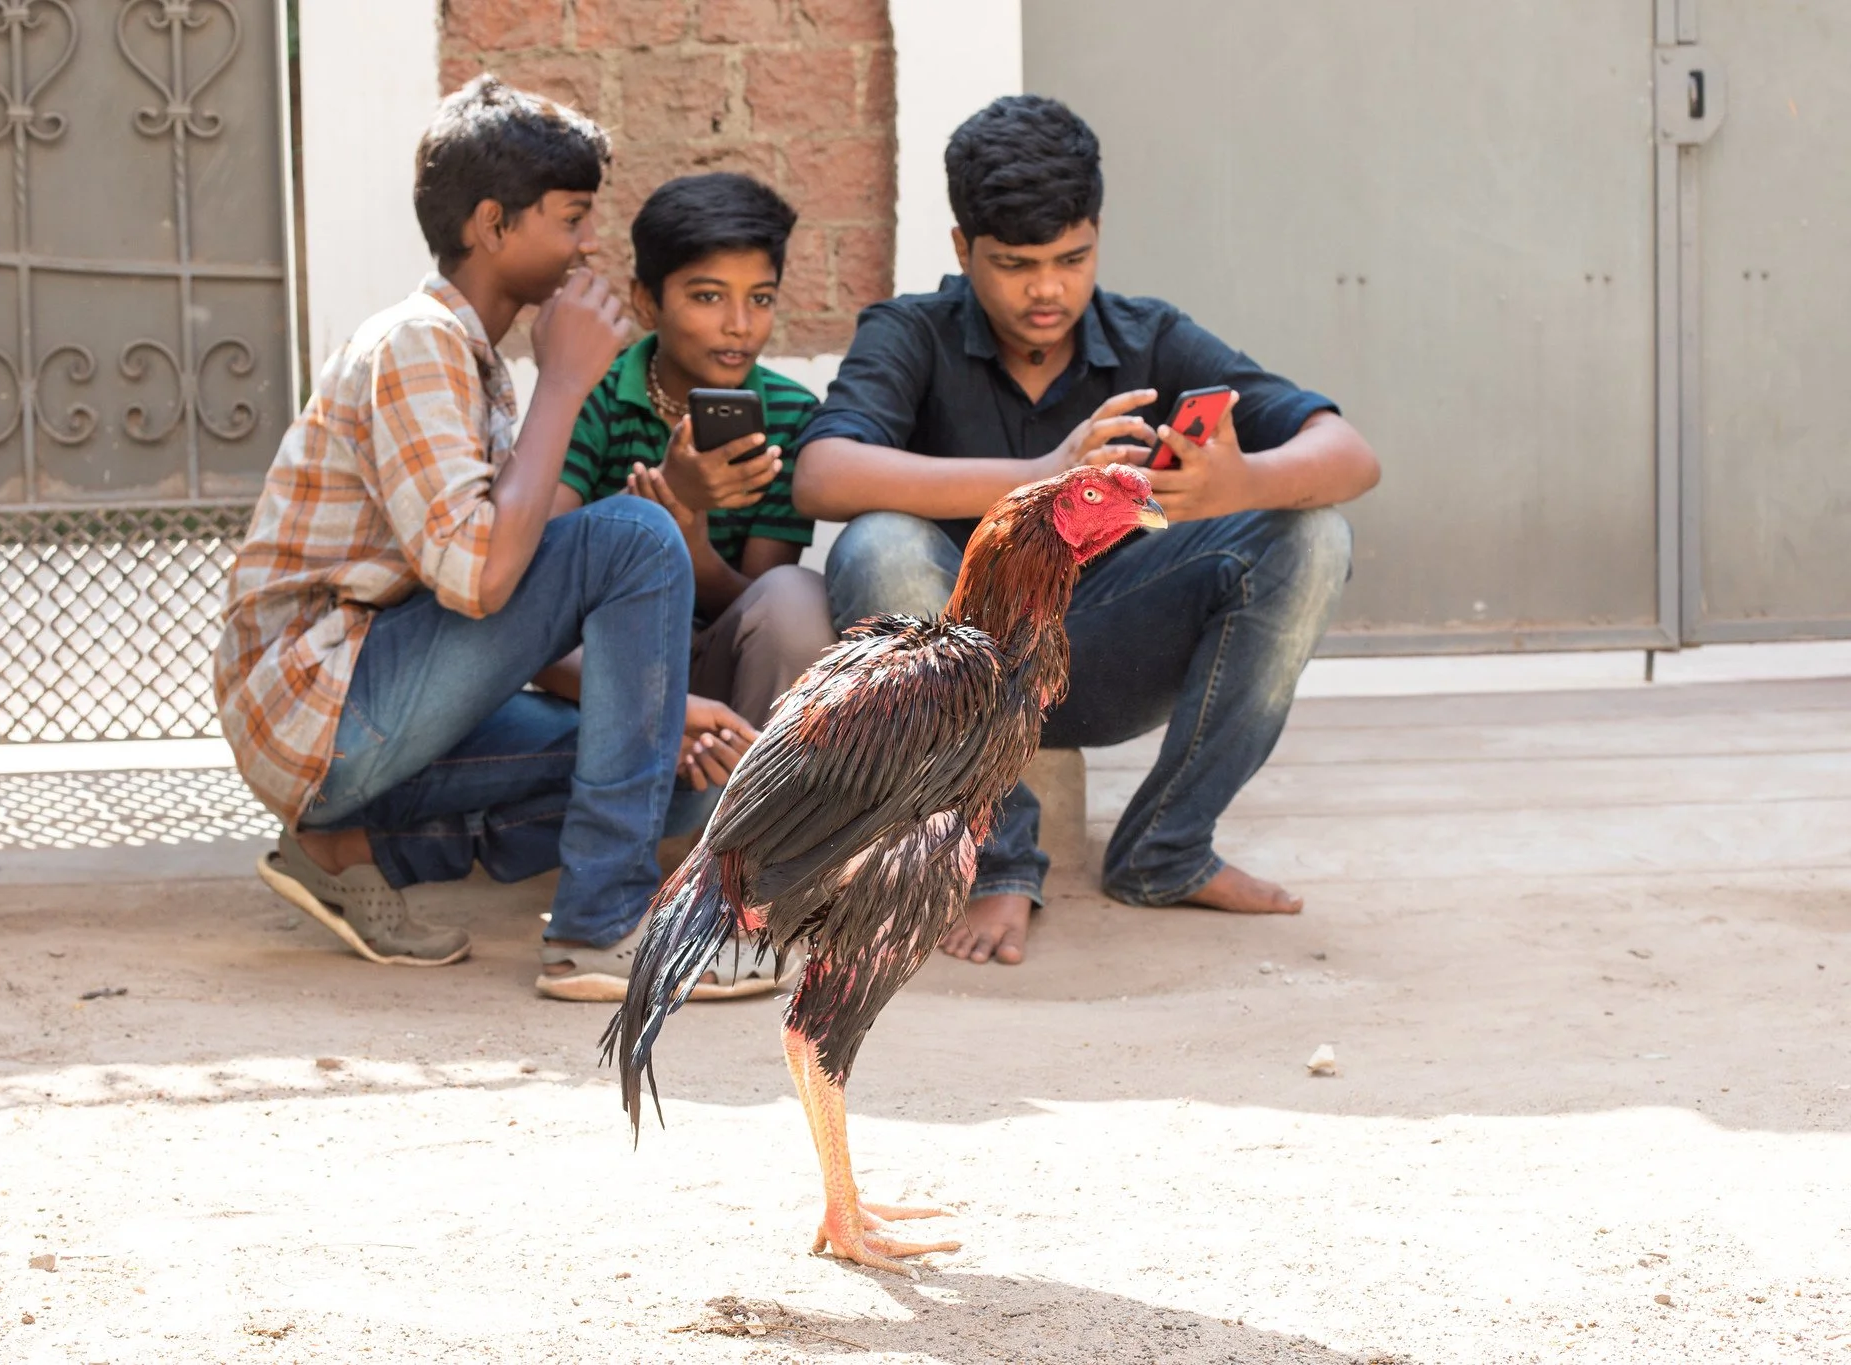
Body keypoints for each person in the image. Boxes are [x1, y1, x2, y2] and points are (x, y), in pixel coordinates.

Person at [214, 75, 781, 1002]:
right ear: (492, 224)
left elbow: (504, 604)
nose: (589, 244)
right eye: (572, 218)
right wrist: (564, 380)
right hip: (317, 707)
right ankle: (600, 929)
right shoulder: (416, 343)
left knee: (670, 775)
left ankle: (345, 850)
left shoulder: (472, 365)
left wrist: (658, 710)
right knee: (638, 534)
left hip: (365, 716)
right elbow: (479, 581)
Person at [792, 95, 1381, 967]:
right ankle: (992, 858)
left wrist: (1240, 483)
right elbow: (823, 474)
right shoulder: (911, 332)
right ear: (962, 248)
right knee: (879, 542)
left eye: (1072, 259)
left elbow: (1352, 455)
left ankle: (1166, 848)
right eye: (1015, 264)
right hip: (959, 676)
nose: (1047, 289)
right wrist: (1041, 474)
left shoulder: (1151, 335)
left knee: (1313, 535)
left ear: (1097, 236)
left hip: (1104, 655)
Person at [550, 172, 837, 744]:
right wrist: (655, 507)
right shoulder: (593, 394)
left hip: (718, 663)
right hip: (604, 661)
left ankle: (752, 787)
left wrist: (694, 548)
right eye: (708, 296)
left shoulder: (789, 415)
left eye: (761, 299)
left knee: (796, 594)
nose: (739, 325)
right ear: (646, 301)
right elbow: (546, 568)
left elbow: (762, 601)